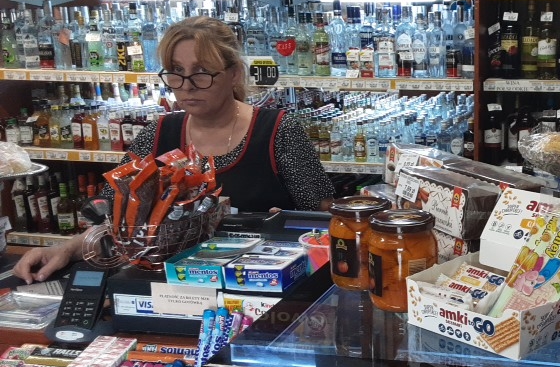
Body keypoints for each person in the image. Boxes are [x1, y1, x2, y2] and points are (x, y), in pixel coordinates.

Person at [14, 15, 335, 283]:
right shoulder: (157, 135)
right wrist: (65, 250)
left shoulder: (277, 131)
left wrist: (285, 227)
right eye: (176, 73)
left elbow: (322, 216)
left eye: (201, 72)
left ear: (234, 73)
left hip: (262, 284)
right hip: (170, 288)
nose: (187, 86)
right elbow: (113, 220)